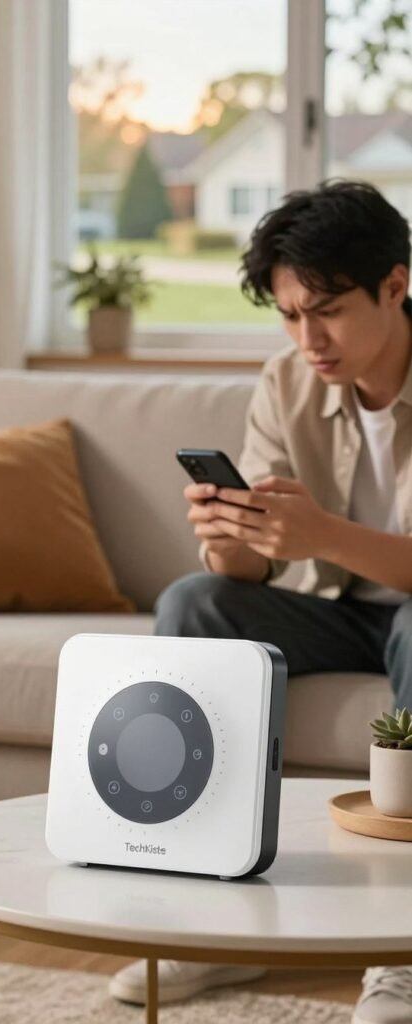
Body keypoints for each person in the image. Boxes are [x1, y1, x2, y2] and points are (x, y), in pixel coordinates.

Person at [109, 180, 412, 1024]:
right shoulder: (285, 383)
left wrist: (317, 534)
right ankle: (210, 924)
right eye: (286, 314)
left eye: (326, 310)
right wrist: (227, 535)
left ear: (394, 285)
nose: (306, 338)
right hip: (334, 608)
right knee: (195, 600)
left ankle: (405, 952)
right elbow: (246, 575)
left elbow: (321, 544)